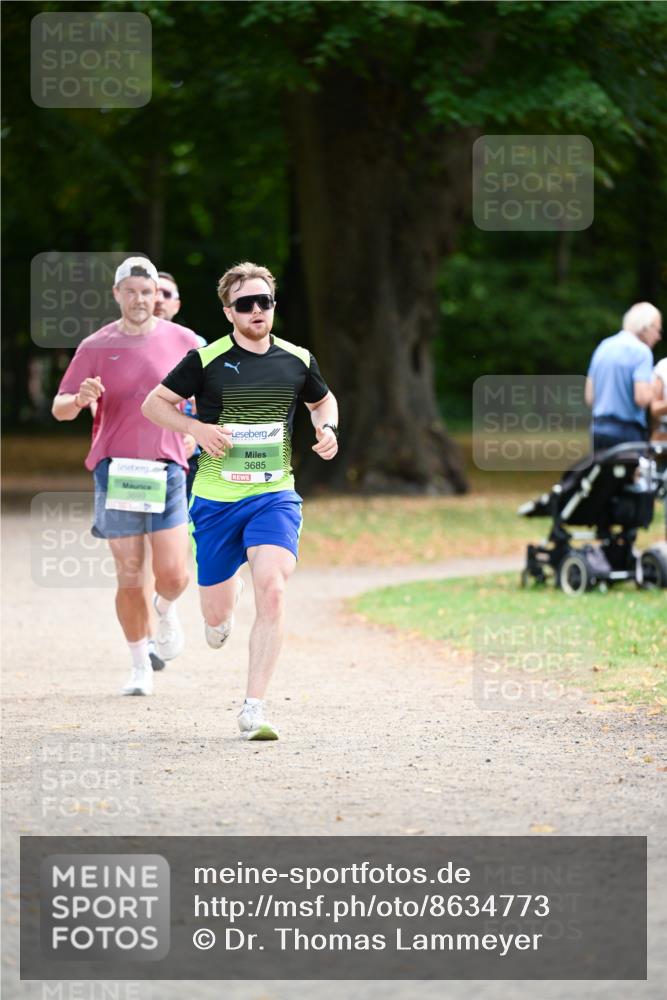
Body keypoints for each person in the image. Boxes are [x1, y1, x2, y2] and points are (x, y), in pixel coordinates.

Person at [142, 261, 338, 740]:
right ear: (228, 311)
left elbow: (322, 401)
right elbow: (154, 404)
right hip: (214, 501)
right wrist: (197, 429)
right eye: (244, 304)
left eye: (263, 302)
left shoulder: (296, 358)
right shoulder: (206, 360)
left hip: (273, 495)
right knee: (216, 620)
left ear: (273, 305)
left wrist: (326, 427)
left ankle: (254, 708)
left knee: (272, 587)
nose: (256, 310)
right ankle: (191, 605)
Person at [52, 256, 201, 696]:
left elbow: (211, 395)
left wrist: (195, 430)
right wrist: (79, 398)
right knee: (130, 574)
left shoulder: (185, 341)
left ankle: (166, 609)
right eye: (131, 291)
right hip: (116, 470)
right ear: (117, 294)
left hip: (168, 467)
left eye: (147, 291)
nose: (140, 299)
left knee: (173, 574)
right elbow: (59, 409)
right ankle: (140, 665)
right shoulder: (95, 345)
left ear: (158, 295)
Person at [585, 302, 662, 452]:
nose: (658, 337)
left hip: (597, 430)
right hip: (626, 435)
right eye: (657, 330)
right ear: (646, 327)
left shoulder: (604, 346)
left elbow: (589, 397)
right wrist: (656, 383)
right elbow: (642, 398)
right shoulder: (642, 351)